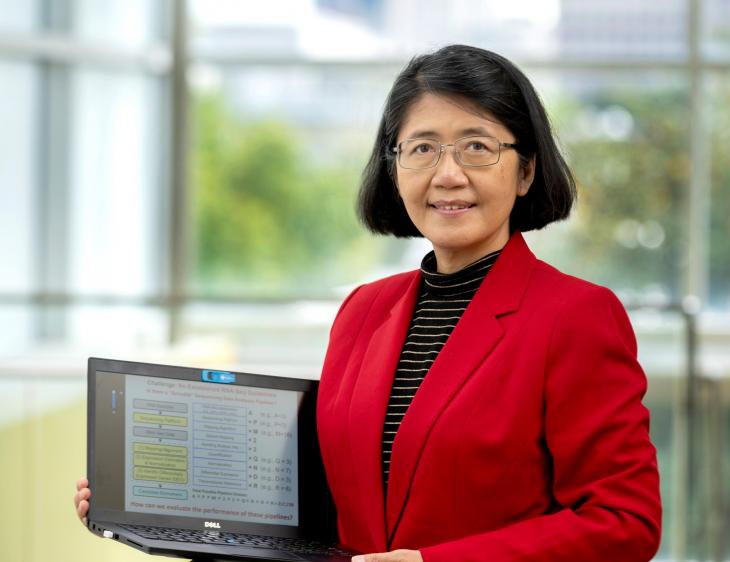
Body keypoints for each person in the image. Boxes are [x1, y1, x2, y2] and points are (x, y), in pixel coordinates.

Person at [76, 44, 662, 562]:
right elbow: (329, 516)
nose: (448, 174)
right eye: (423, 148)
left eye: (477, 147)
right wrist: (157, 513)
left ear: (527, 170)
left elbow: (624, 525)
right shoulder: (362, 310)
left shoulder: (575, 316)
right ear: (394, 166)